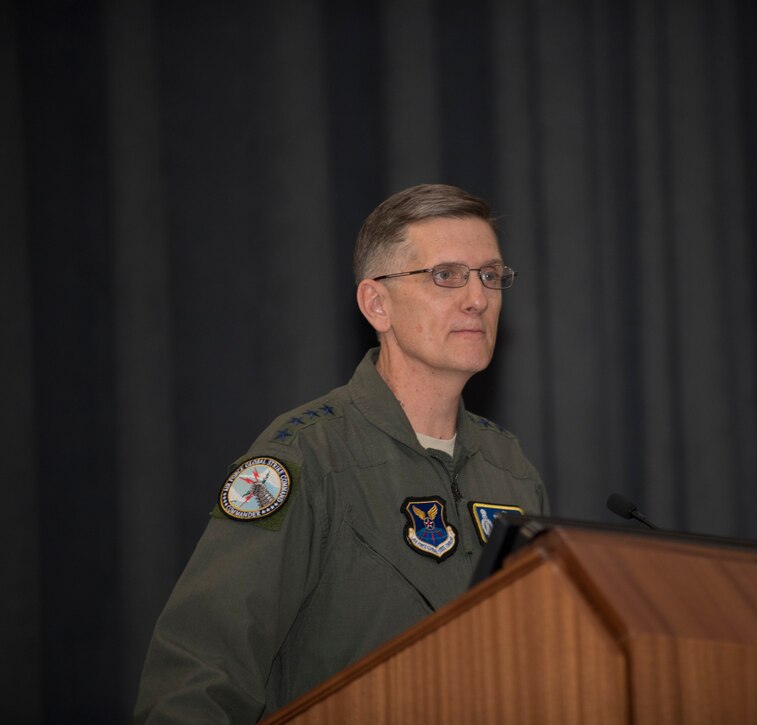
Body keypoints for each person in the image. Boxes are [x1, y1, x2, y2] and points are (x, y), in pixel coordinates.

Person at [134, 184, 549, 723]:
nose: (477, 297)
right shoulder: (304, 457)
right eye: (446, 275)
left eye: (490, 276)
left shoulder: (510, 467)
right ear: (376, 303)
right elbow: (197, 675)